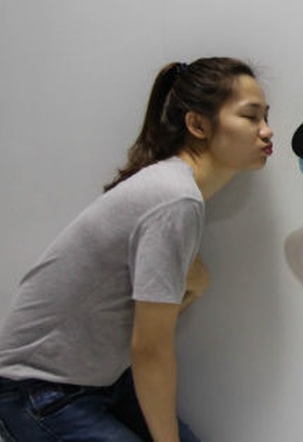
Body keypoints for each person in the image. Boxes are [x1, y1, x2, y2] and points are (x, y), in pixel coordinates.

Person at [0, 57, 274, 441]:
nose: (267, 130)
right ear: (197, 125)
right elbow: (150, 350)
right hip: (38, 390)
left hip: (104, 381)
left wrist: (197, 281)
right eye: (250, 116)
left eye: (265, 116)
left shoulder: (173, 190)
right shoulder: (174, 198)